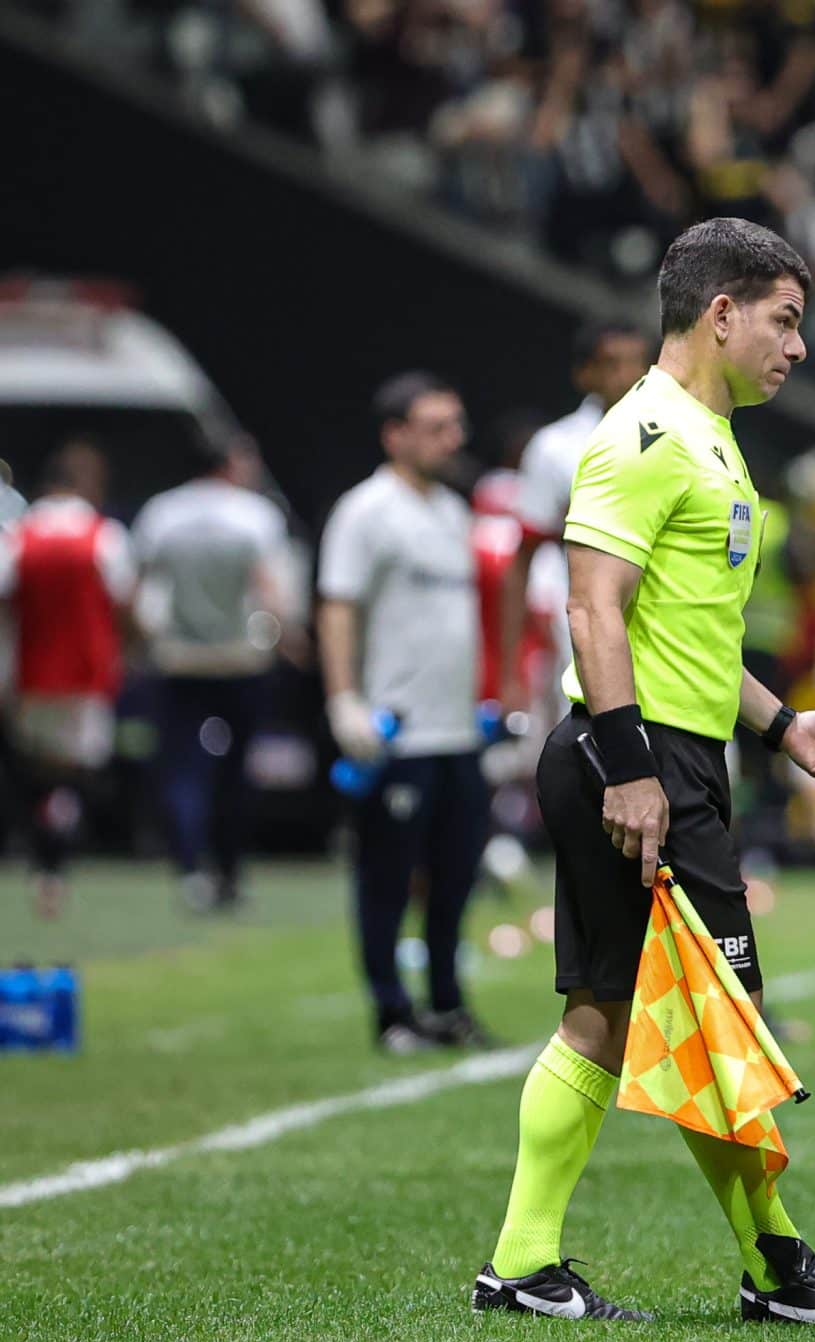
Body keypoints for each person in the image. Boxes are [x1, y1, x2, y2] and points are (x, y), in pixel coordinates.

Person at [474, 218, 815, 1326]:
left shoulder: (710, 437)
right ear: (718, 314)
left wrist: (780, 731)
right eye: (783, 320)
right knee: (724, 1020)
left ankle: (526, 1266)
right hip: (638, 767)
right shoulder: (642, 437)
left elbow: (692, 638)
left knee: (617, 1013)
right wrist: (633, 772)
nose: (798, 347)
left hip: (670, 756)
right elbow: (595, 608)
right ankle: (777, 1271)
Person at [318, 372, 494, 1054]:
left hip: (456, 729)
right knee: (387, 878)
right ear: (395, 434)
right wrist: (343, 699)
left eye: (456, 425)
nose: (452, 439)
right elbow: (339, 606)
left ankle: (447, 1003)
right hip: (398, 730)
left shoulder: (453, 512)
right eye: (435, 426)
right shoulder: (366, 511)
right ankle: (392, 1011)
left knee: (455, 878)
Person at [132, 435, 302, 912]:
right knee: (235, 771)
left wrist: (139, 642)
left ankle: (190, 868)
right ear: (229, 463)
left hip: (177, 657)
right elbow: (269, 590)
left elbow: (139, 589)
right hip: (239, 659)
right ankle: (228, 870)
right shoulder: (255, 515)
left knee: (183, 769)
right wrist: (289, 639)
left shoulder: (162, 514)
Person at [0, 439, 135, 920]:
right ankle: (56, 861)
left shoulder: (18, 535)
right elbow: (124, 604)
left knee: (37, 771)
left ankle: (44, 862)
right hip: (86, 673)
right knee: (73, 775)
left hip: (31, 672)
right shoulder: (105, 536)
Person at [497, 321, 652, 717]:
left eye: (639, 363)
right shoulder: (555, 448)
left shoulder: (681, 435)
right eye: (614, 363)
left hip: (671, 638)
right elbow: (522, 561)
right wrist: (510, 670)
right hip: (589, 645)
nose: (630, 375)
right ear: (585, 374)